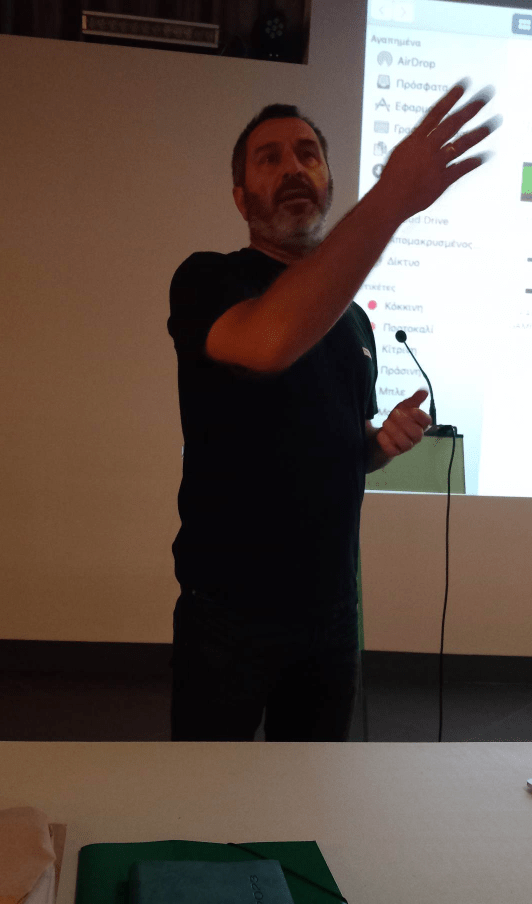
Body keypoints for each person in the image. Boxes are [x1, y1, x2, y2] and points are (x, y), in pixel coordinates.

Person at [167, 80, 497, 741]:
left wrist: (381, 443)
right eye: (269, 159)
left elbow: (345, 449)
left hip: (331, 613)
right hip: (228, 614)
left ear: (328, 182)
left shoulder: (353, 323)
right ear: (241, 198)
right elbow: (266, 344)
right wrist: (393, 198)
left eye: (307, 154)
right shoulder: (208, 279)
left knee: (318, 790)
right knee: (206, 792)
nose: (293, 167)